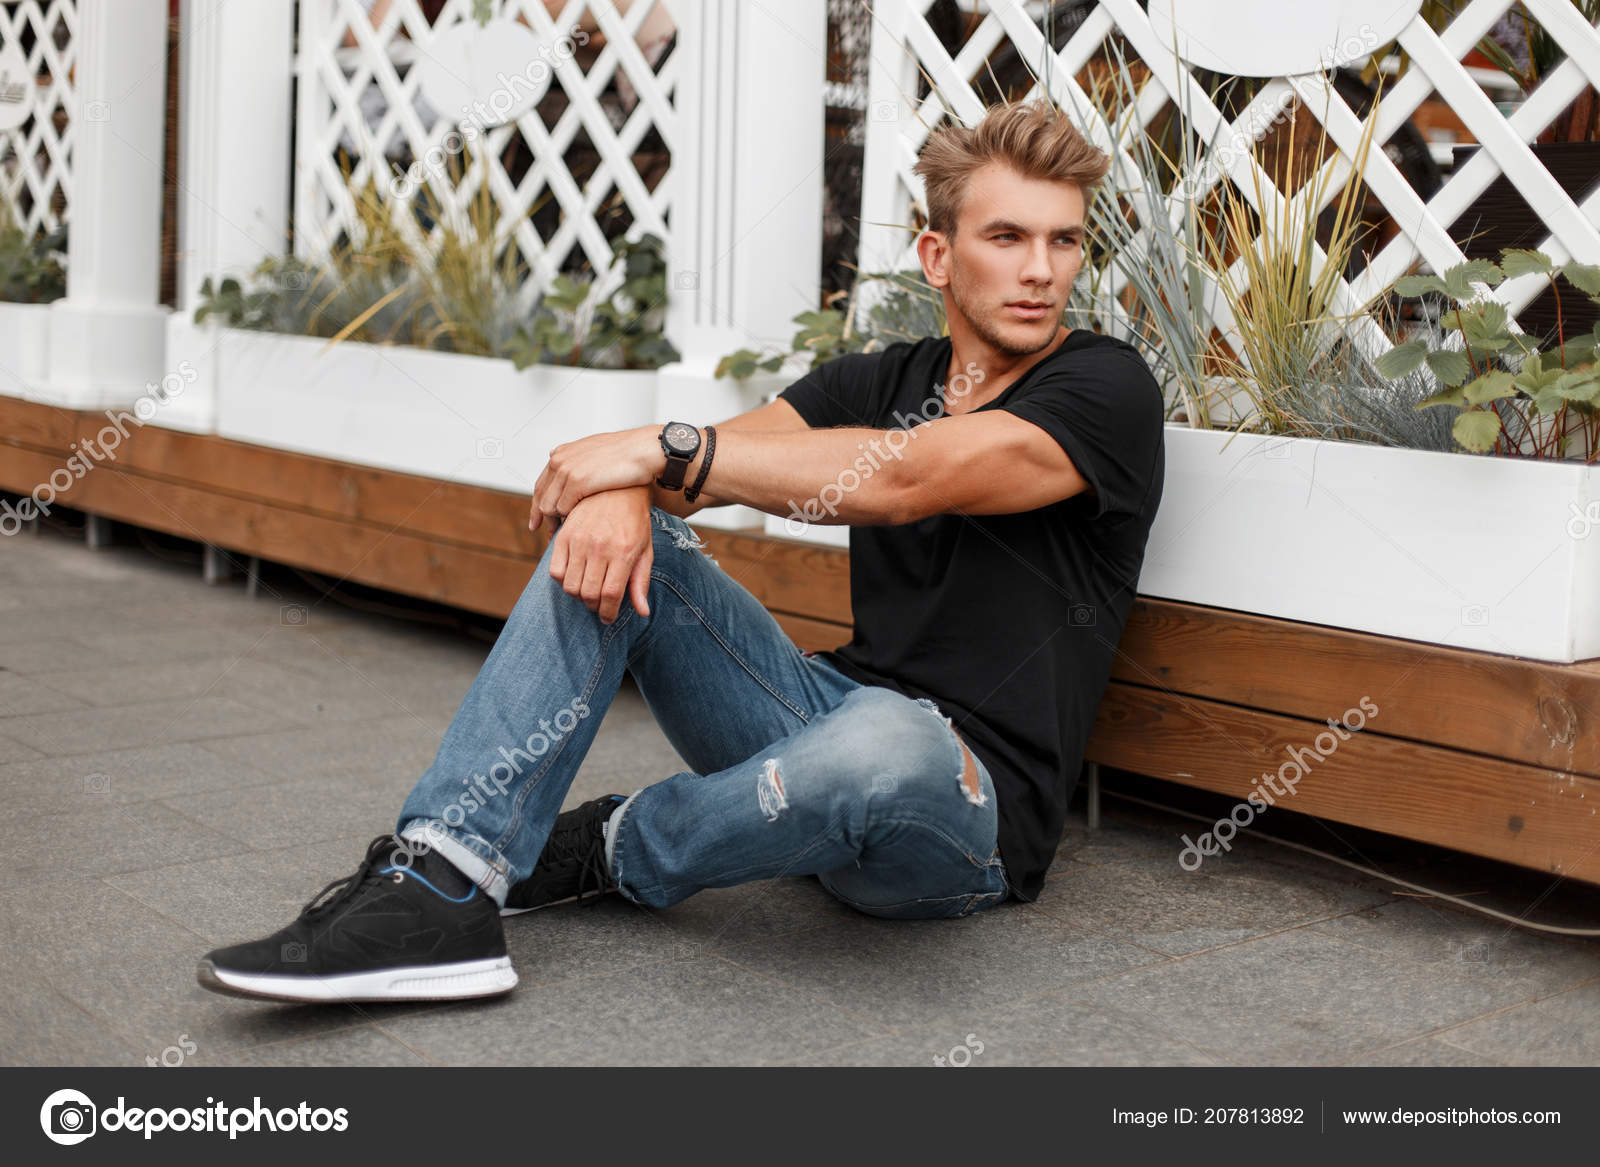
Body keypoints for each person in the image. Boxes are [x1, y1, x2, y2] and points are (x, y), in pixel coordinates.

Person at [195, 98, 1166, 1005]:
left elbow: (907, 474)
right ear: (938, 255)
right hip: (821, 721)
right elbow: (698, 467)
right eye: (1007, 237)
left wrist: (655, 452)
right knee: (632, 538)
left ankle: (619, 846)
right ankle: (445, 877)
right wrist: (627, 489)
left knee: (891, 743)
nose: (1041, 269)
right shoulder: (877, 376)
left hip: (960, 806)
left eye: (1063, 240)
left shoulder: (1104, 391)